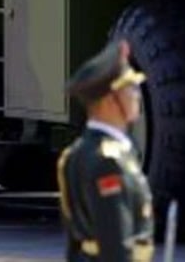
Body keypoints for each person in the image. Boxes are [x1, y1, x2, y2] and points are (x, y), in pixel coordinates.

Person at [56, 39, 154, 261]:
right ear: (111, 100)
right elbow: (115, 245)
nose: (137, 95)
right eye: (130, 88)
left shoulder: (75, 154)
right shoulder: (108, 161)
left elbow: (74, 244)